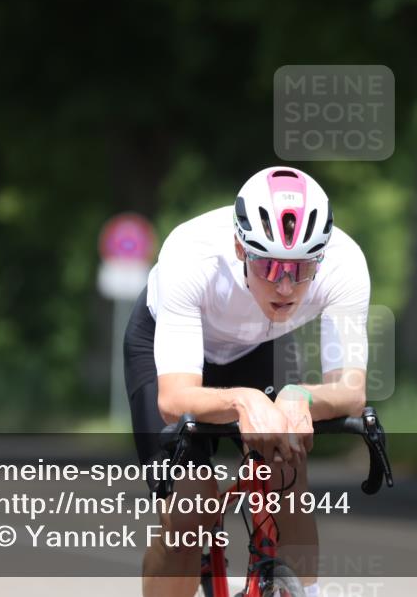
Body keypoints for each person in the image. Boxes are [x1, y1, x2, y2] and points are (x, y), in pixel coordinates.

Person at [125, 166, 370, 597]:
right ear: (241, 248)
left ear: (322, 256)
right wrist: (242, 402)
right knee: (190, 512)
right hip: (174, 349)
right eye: (271, 266)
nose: (286, 286)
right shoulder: (191, 253)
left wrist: (299, 397)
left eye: (301, 268)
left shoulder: (346, 265)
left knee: (287, 473)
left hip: (260, 346)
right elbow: (174, 398)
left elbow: (350, 391)